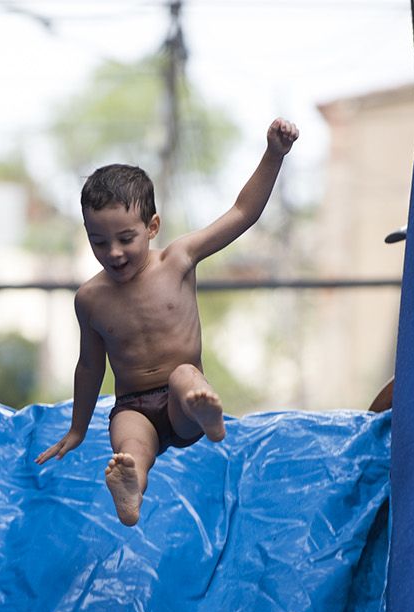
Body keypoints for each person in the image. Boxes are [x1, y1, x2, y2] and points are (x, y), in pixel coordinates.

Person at [35, 119, 300, 526]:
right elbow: (90, 367)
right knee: (128, 441)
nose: (114, 253)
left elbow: (243, 213)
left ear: (152, 227)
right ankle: (132, 487)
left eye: (126, 238)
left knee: (183, 378)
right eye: (99, 242)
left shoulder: (178, 259)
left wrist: (274, 154)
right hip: (133, 405)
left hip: (182, 403)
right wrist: (77, 429)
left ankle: (208, 416)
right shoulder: (90, 299)